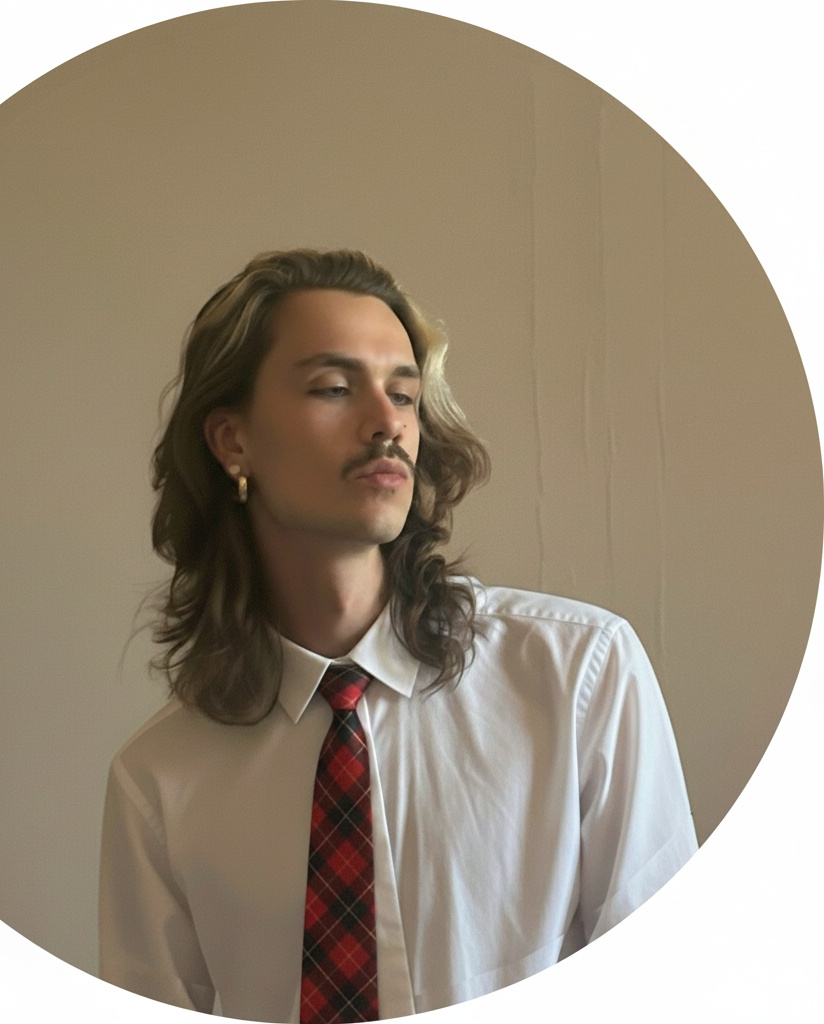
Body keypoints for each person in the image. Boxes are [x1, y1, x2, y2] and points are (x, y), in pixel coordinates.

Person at [99, 249, 697, 1021]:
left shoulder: (577, 676)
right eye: (334, 387)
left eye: (405, 394)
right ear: (232, 441)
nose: (387, 423)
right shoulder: (159, 779)